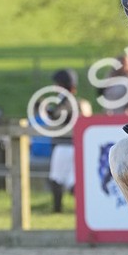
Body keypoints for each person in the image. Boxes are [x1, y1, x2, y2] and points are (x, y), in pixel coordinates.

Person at [46, 69, 92, 213]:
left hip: (63, 145)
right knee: (73, 180)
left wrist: (48, 110)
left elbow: (57, 114)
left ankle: (58, 209)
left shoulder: (65, 100)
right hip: (75, 145)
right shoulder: (79, 102)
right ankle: (83, 209)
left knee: (56, 179)